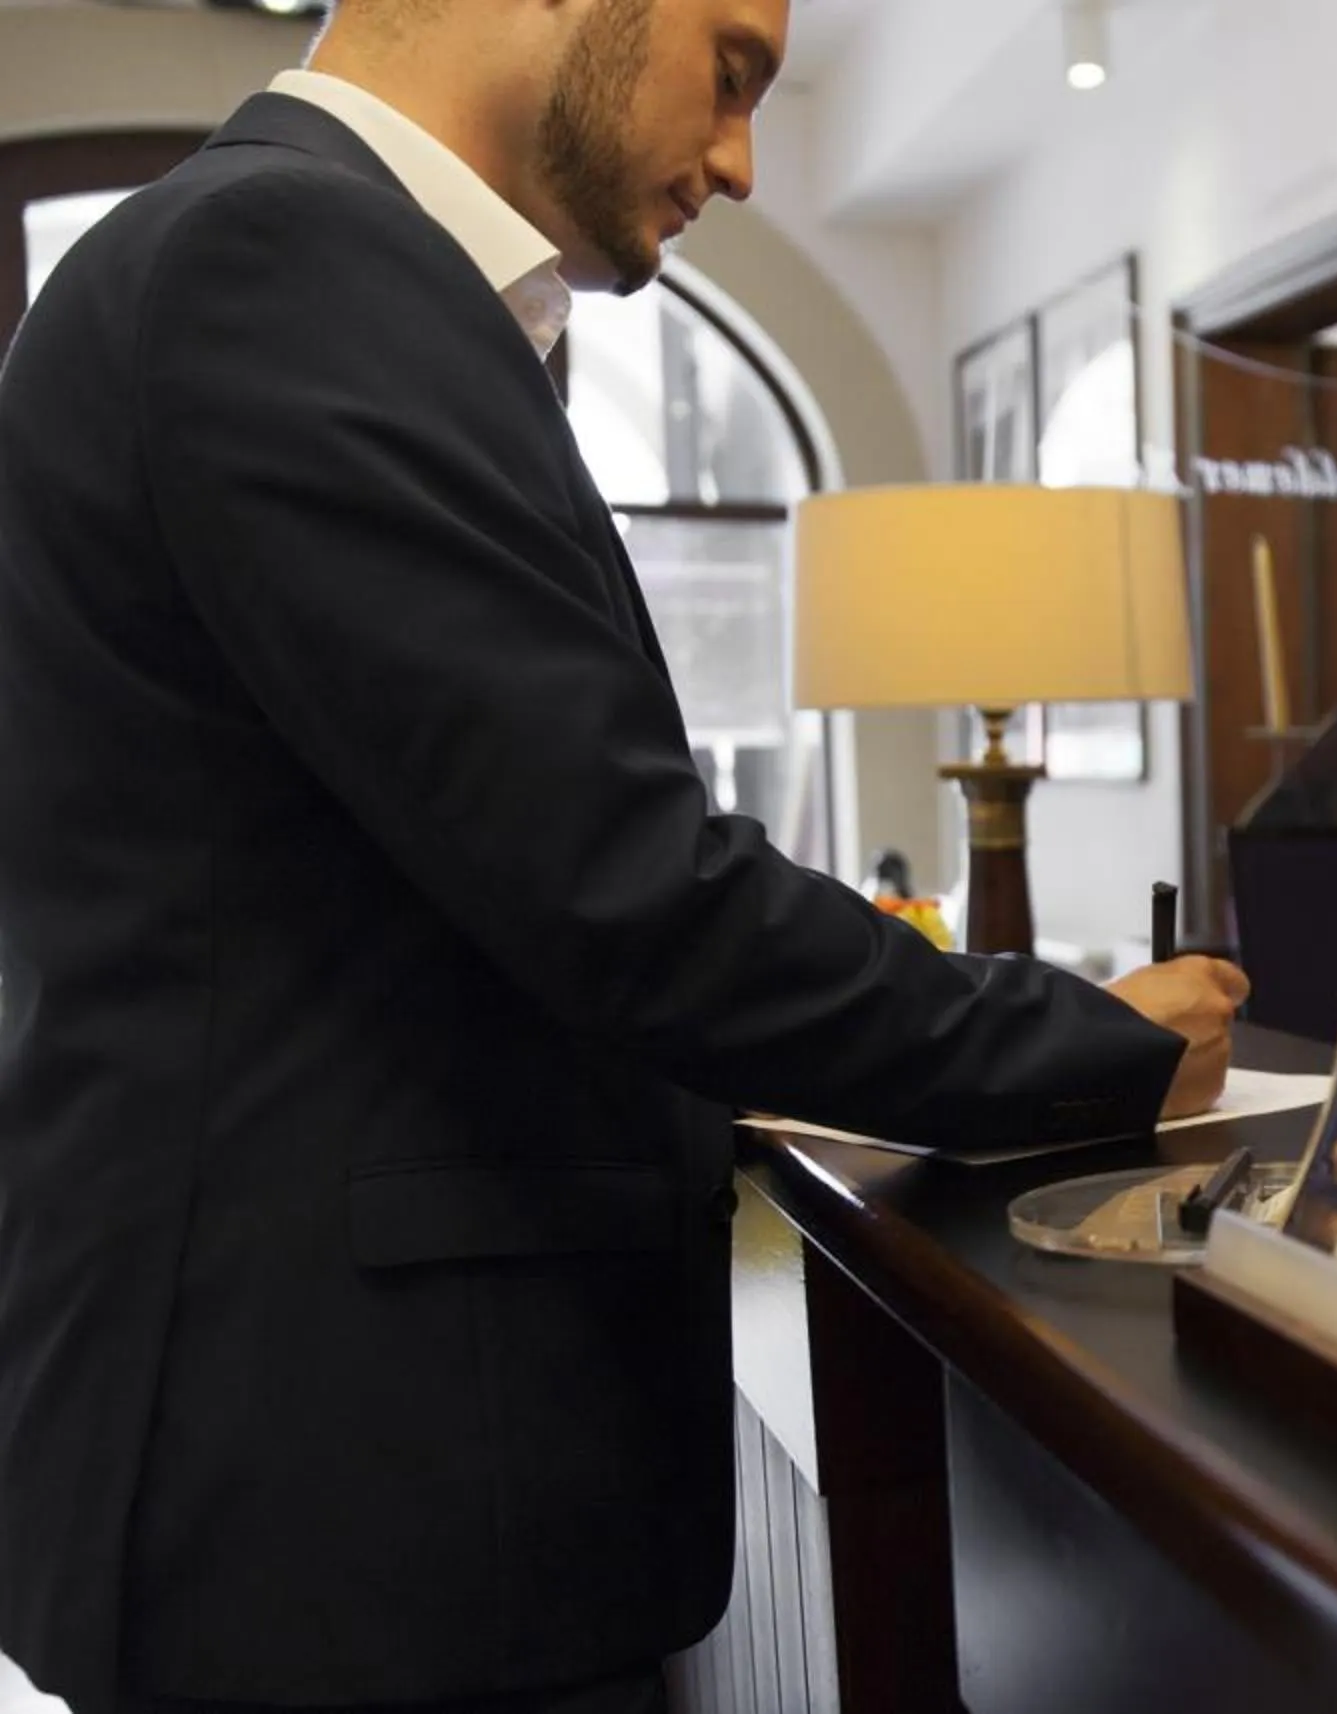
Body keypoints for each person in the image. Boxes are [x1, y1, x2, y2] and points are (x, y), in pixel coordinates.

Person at [0, 0, 1248, 1708]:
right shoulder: (284, 259)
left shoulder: (312, 268)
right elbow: (629, 891)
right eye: (733, 71)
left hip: (347, 1499)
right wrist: (1103, 1044)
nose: (741, 163)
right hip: (340, 1522)